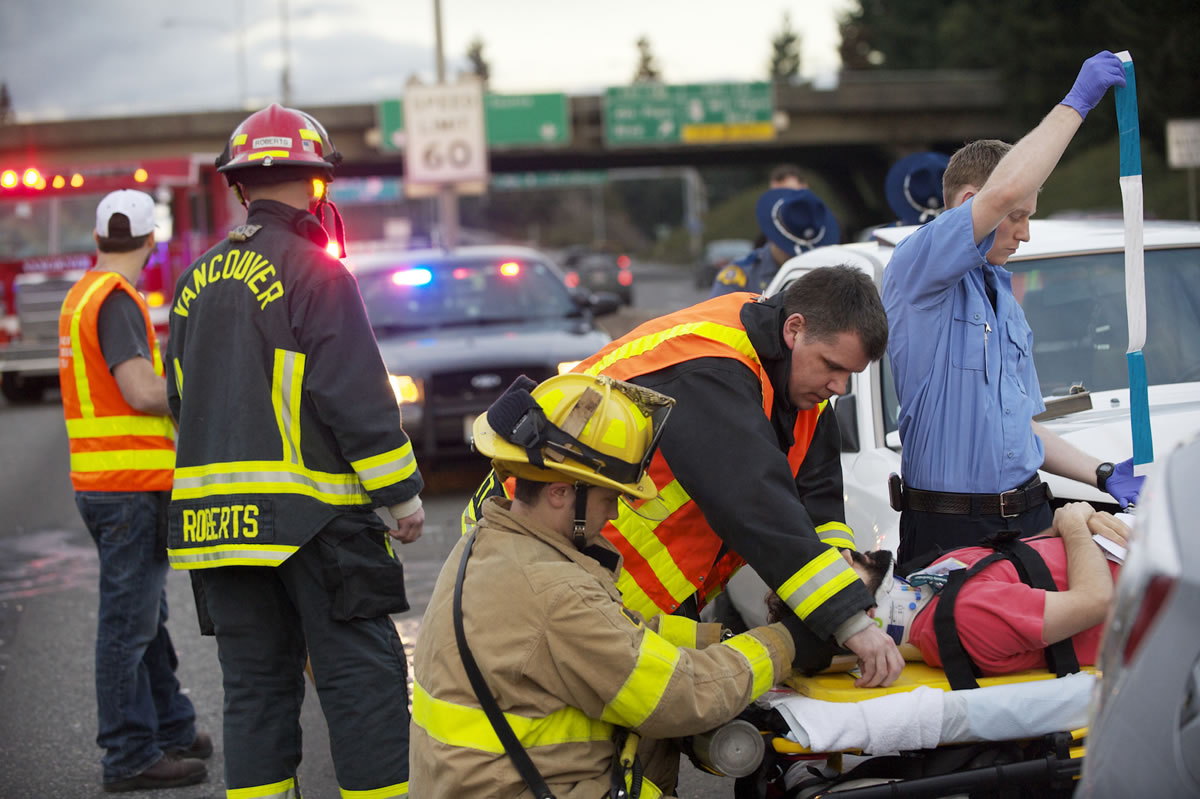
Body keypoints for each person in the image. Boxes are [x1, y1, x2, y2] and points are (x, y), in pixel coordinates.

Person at [464, 265, 905, 689]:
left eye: (850, 374)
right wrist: (848, 621)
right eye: (832, 366)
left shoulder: (799, 394)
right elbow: (756, 505)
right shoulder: (712, 369)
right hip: (539, 557)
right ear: (793, 329)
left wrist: (845, 578)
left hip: (615, 591)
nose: (839, 387)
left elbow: (820, 510)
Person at [165, 104, 424, 798]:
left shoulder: (193, 283)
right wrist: (399, 493)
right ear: (317, 186)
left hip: (214, 528)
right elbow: (356, 395)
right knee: (360, 677)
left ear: (239, 187)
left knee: (254, 690)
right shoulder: (317, 271)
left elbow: (180, 400)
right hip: (315, 524)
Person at [412, 373, 828, 797]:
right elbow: (680, 696)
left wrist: (721, 637)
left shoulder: (488, 542)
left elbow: (618, 635)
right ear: (560, 493)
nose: (612, 513)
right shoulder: (554, 590)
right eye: (608, 495)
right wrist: (783, 643)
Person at [882, 51, 1143, 567]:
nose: (1025, 232)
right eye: (1018, 216)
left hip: (1029, 519)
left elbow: (1016, 429)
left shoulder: (1005, 302)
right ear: (969, 205)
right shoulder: (921, 266)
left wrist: (1103, 472)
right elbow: (1007, 189)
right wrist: (1078, 102)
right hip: (951, 531)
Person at [58, 190, 210, 792]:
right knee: (128, 625)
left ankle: (170, 725)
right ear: (151, 244)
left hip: (104, 483)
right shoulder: (118, 301)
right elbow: (142, 392)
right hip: (127, 488)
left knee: (146, 616)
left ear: (98, 239)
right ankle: (128, 753)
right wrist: (194, 391)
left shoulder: (83, 294)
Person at [838, 503, 1126, 679]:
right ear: (869, 615)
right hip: (1150, 587)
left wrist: (1075, 521)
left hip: (1126, 549)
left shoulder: (932, 580)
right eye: (837, 575)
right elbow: (1096, 601)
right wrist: (1074, 522)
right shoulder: (967, 616)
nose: (846, 555)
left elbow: (1028, 559)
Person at [712, 187, 840, 297]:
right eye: (789, 250)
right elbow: (715, 320)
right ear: (772, 236)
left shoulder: (829, 275)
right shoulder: (742, 276)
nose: (798, 257)